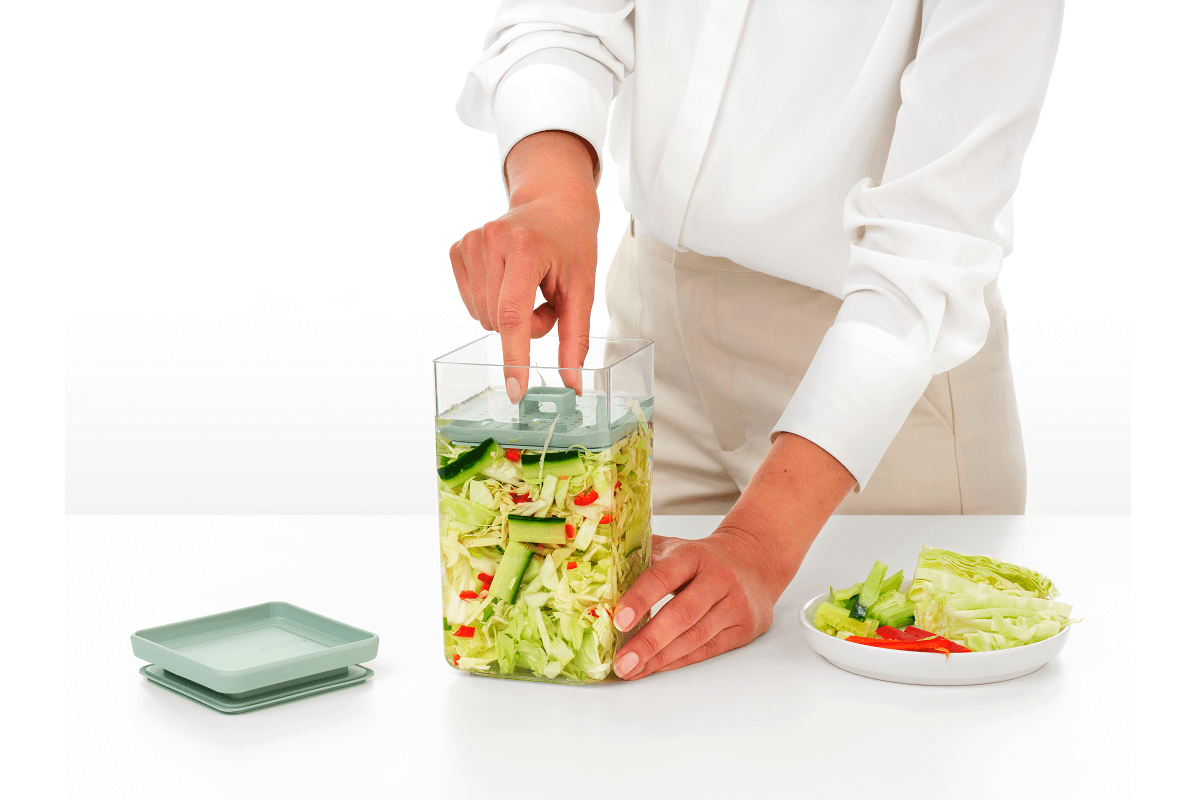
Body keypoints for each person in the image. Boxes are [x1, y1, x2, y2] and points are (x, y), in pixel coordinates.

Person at [449, 0, 1064, 681]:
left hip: (880, 380)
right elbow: (561, 17)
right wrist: (552, 193)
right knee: (631, 698)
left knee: (893, 723)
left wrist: (759, 543)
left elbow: (932, 244)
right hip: (655, 333)